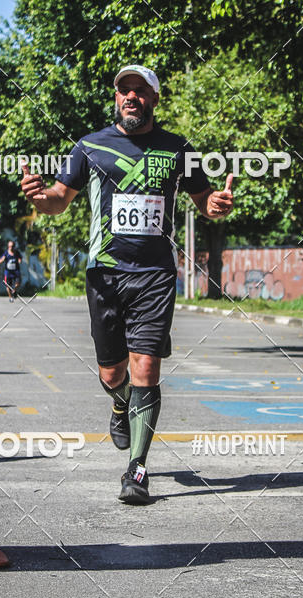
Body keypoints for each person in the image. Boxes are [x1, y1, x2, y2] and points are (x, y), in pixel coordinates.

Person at [21, 64, 233, 504]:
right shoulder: (90, 146)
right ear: (116, 98)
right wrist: (41, 199)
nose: (131, 97)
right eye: (124, 91)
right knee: (112, 373)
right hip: (105, 274)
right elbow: (60, 198)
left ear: (155, 99)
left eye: (140, 91)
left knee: (146, 369)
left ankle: (137, 470)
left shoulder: (177, 149)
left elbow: (203, 199)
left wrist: (215, 205)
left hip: (155, 275)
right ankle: (120, 404)